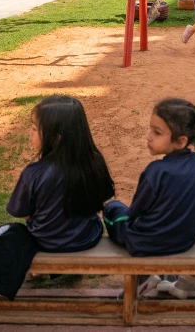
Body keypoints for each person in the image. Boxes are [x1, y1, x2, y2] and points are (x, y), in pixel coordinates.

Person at [103, 98, 195, 299]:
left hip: (147, 242)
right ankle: (161, 277)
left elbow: (134, 211)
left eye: (157, 133)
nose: (148, 137)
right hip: (185, 240)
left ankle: (144, 279)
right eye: (150, 129)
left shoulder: (156, 171)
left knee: (113, 210)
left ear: (181, 141)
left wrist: (115, 208)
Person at [7, 95, 116, 253]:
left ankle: (40, 269)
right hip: (86, 239)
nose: (30, 133)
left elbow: (23, 213)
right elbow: (103, 197)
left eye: (35, 129)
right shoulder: (94, 162)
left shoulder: (33, 173)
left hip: (44, 243)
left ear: (56, 139)